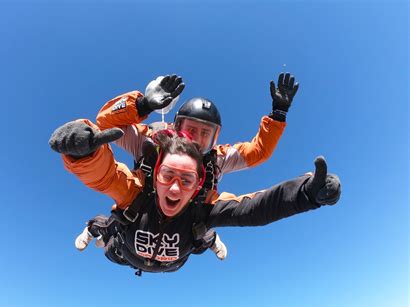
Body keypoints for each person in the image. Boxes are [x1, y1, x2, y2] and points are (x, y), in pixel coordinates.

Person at [48, 120, 341, 275]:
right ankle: (92, 230)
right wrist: (84, 153)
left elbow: (255, 208)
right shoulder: (136, 193)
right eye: (167, 176)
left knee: (202, 235)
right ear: (154, 175)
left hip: (173, 261)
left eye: (186, 180)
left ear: (200, 183)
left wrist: (306, 193)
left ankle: (211, 240)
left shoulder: (204, 206)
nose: (175, 189)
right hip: (123, 253)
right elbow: (105, 176)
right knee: (109, 226)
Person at [75, 73, 299, 259]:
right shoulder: (151, 144)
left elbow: (258, 152)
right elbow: (104, 124)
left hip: (182, 234)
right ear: (175, 126)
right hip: (139, 221)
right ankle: (95, 228)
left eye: (205, 134)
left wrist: (278, 115)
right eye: (190, 130)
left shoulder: (216, 159)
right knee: (115, 228)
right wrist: (141, 105)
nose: (196, 140)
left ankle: (208, 238)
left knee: (201, 226)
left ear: (214, 138)